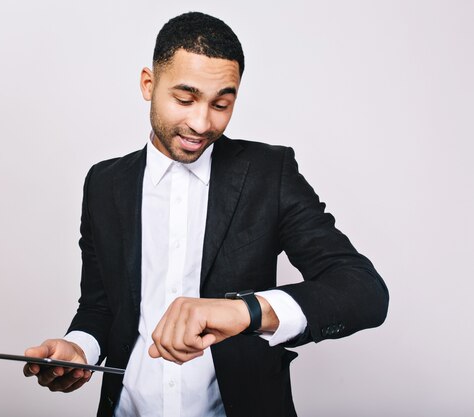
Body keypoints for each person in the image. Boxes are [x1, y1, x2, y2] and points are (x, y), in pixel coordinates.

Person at [23, 11, 389, 417]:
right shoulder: (103, 183)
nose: (201, 122)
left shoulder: (270, 174)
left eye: (221, 104)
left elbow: (364, 291)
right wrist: (79, 348)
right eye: (185, 99)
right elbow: (100, 306)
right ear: (149, 84)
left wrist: (245, 311)